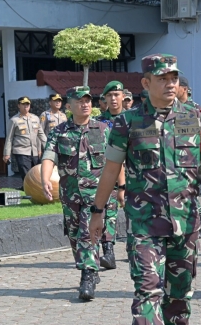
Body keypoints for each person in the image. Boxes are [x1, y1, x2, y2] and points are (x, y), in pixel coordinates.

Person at [89, 54, 201, 325]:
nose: (170, 84)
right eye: (162, 78)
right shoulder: (126, 123)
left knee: (180, 289)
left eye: (174, 77)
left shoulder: (195, 116)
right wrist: (98, 211)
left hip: (186, 221)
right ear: (146, 83)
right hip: (144, 222)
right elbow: (110, 170)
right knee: (148, 286)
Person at [40, 86, 125, 300]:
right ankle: (91, 267)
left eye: (88, 100)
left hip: (96, 195)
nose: (86, 104)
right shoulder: (59, 132)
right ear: (69, 106)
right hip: (70, 195)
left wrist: (122, 187)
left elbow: (116, 161)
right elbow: (49, 156)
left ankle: (87, 275)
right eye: (80, 101)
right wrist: (44, 179)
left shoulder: (103, 130)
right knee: (74, 234)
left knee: (88, 233)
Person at [96, 80, 129, 270]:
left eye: (117, 95)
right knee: (108, 213)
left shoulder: (133, 119)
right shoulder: (100, 123)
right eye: (110, 95)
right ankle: (108, 252)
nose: (114, 99)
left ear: (123, 96)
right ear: (105, 99)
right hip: (108, 175)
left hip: (135, 175)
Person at [177, 75, 201, 239]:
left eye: (176, 86)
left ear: (184, 89)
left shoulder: (196, 110)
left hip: (194, 162)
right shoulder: (172, 109)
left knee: (192, 193)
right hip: (177, 162)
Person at [4, 96, 46, 180]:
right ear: (18, 105)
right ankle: (27, 189)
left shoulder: (35, 118)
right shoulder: (14, 120)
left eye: (27, 104)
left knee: (36, 173)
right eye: (23, 104)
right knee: (26, 174)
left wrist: (49, 148)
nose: (26, 106)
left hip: (34, 152)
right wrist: (6, 153)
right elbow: (9, 138)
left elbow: (41, 135)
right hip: (21, 151)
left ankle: (31, 189)